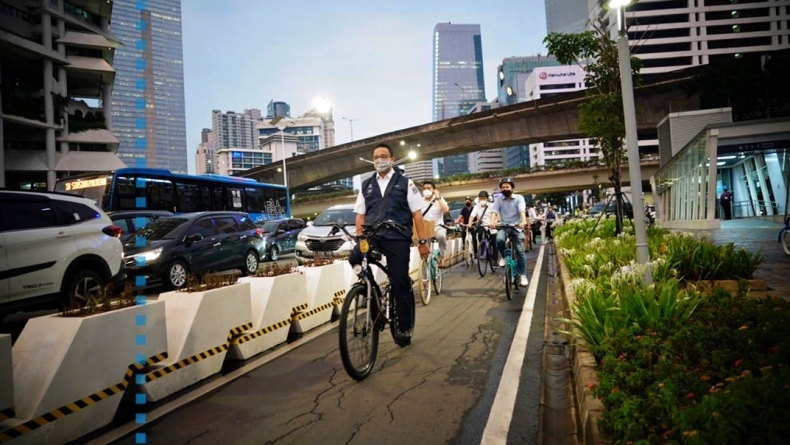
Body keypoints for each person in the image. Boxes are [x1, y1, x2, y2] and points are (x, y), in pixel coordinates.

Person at [351, 143, 430, 347]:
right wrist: (360, 237)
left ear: (392, 160)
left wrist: (422, 242)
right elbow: (361, 215)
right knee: (355, 257)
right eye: (376, 156)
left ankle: (404, 326)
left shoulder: (405, 182)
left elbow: (417, 214)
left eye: (384, 156)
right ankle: (373, 296)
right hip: (374, 236)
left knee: (399, 280)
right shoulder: (367, 185)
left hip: (397, 237)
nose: (379, 160)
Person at [489, 177, 529, 287]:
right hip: (504, 225)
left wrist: (523, 221)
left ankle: (522, 274)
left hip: (517, 226)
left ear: (512, 188)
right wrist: (492, 222)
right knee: (499, 240)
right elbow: (494, 211)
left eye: (507, 187)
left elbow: (521, 210)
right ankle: (504, 257)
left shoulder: (519, 198)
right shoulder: (498, 200)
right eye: (502, 187)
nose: (505, 189)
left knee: (520, 250)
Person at [420, 181, 450, 267]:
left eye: (428, 188)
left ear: (433, 190)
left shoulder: (439, 199)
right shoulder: (420, 201)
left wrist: (438, 197)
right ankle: (425, 275)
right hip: (425, 228)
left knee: (441, 236)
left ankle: (442, 258)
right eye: (424, 188)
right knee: (424, 247)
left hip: (438, 226)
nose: (426, 190)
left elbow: (446, 210)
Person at [467, 190, 497, 261]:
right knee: (480, 236)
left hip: (491, 225)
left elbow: (494, 214)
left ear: (487, 198)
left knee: (494, 243)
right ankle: (484, 251)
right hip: (482, 225)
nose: (482, 200)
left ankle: (495, 260)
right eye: (480, 198)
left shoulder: (492, 205)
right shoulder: (476, 207)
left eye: (484, 198)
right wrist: (469, 223)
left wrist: (493, 223)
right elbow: (472, 215)